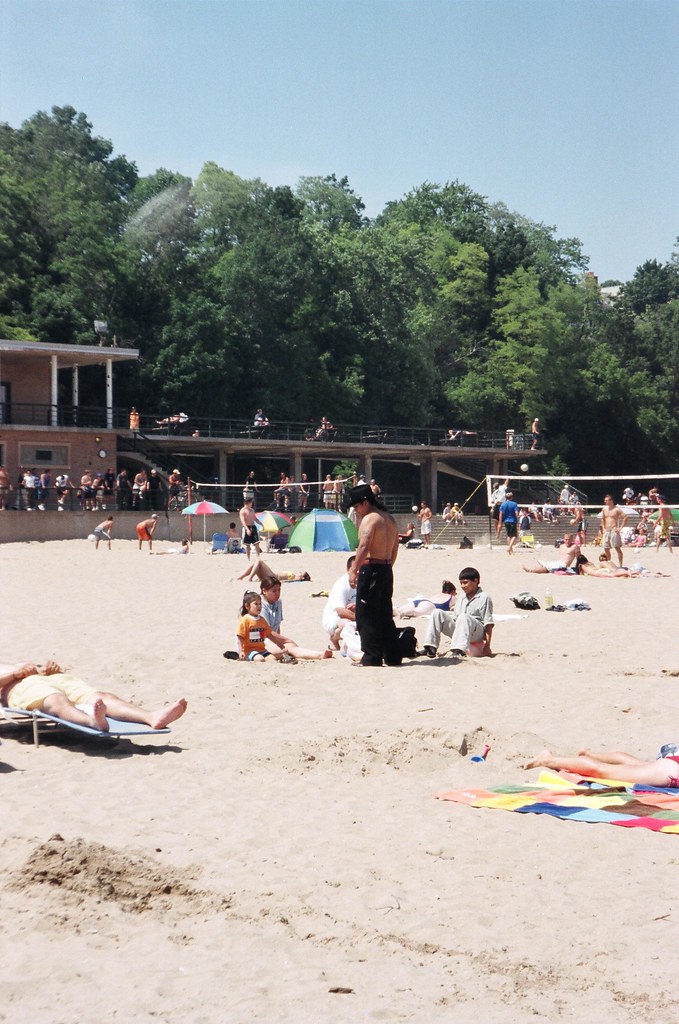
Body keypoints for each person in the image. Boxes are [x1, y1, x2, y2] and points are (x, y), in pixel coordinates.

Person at [0, 659, 187, 732]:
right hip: (20, 687)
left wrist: (49, 669)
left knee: (101, 696)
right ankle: (93, 722)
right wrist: (15, 674)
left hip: (51, 679)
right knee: (57, 701)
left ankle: (151, 716)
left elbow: (34, 668)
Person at [346, 483, 402, 667]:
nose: (356, 511)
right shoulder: (389, 519)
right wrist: (387, 567)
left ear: (364, 502)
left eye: (356, 507)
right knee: (385, 614)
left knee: (366, 615)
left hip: (371, 568)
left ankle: (371, 656)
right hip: (386, 568)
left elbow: (364, 545)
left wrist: (354, 569)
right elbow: (395, 548)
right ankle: (393, 655)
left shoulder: (370, 519)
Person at [423, 566, 493, 659]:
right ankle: (430, 647)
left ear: (476, 581)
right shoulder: (460, 598)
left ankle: (458, 650)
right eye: (461, 583)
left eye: (465, 583)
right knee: (437, 613)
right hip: (460, 631)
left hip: (477, 632)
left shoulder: (484, 597)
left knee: (464, 617)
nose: (462, 586)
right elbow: (455, 618)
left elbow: (488, 623)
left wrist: (487, 646)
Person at [523, 747, 679, 788]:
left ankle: (591, 755)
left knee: (639, 766)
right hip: (669, 772)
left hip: (672, 766)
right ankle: (547, 760)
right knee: (602, 771)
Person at [259, 577, 333, 660]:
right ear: (264, 591)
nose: (277, 593)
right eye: (274, 591)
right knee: (289, 647)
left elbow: (278, 625)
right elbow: (267, 631)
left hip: (273, 638)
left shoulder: (278, 602)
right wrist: (286, 640)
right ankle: (319, 655)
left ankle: (318, 654)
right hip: (262, 639)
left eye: (279, 590)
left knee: (289, 647)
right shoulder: (260, 605)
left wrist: (281, 640)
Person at [235, 592, 291, 663]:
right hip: (249, 651)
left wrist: (281, 646)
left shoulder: (262, 620)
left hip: (261, 649)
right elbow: (240, 637)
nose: (259, 606)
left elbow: (269, 635)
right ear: (247, 606)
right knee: (259, 659)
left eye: (260, 604)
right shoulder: (245, 620)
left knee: (272, 659)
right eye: (256, 604)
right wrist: (241, 651)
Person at [323, 556, 357, 649]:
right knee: (348, 625)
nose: (357, 572)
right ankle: (334, 638)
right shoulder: (341, 584)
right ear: (348, 570)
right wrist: (361, 618)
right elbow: (340, 611)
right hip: (333, 618)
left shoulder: (363, 581)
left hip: (353, 615)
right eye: (354, 569)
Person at [599, 494, 628, 566]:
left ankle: (620, 564)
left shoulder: (616, 509)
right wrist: (603, 527)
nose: (605, 501)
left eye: (606, 500)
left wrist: (620, 528)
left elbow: (625, 517)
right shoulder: (604, 509)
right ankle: (609, 563)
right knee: (606, 548)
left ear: (611, 501)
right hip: (607, 530)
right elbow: (602, 518)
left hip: (613, 529)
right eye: (605, 500)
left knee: (617, 547)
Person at [236, 556, 310, 583]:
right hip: (271, 576)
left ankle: (249, 577)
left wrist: (300, 579)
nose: (299, 572)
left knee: (259, 560)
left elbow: (290, 581)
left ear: (302, 577)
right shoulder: (294, 575)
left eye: (301, 573)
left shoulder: (295, 577)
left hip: (273, 577)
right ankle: (242, 577)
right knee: (256, 563)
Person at [498, 490, 519, 555]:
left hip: (506, 521)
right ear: (511, 497)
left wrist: (500, 522)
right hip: (513, 520)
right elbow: (516, 513)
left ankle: (511, 551)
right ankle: (509, 547)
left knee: (508, 535)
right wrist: (518, 518)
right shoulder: (514, 504)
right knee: (514, 535)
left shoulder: (503, 504)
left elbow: (500, 514)